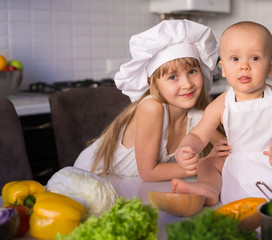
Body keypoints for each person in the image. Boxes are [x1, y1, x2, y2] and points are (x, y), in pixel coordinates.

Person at [172, 21, 272, 206]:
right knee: (207, 164)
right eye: (235, 59)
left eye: (255, 58)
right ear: (223, 69)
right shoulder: (221, 104)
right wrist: (186, 148)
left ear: (270, 67)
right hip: (239, 164)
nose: (244, 66)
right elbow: (198, 134)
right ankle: (208, 189)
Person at [74, 19, 228, 181]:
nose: (187, 84)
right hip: (87, 180)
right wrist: (207, 162)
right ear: (152, 82)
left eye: (191, 72)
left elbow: (229, 152)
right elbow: (149, 173)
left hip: (129, 185)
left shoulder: (198, 115)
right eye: (173, 77)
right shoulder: (152, 107)